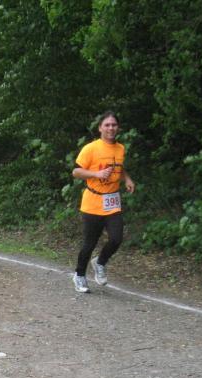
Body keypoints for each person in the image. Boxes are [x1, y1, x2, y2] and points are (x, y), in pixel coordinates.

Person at [71, 111, 136, 293]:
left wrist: (127, 179)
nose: (110, 128)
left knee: (116, 239)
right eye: (107, 125)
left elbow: (119, 167)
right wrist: (96, 174)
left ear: (118, 128)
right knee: (89, 243)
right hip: (93, 202)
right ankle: (79, 275)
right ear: (100, 128)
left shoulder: (120, 148)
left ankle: (100, 262)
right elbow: (76, 172)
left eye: (114, 125)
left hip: (112, 202)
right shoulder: (91, 149)